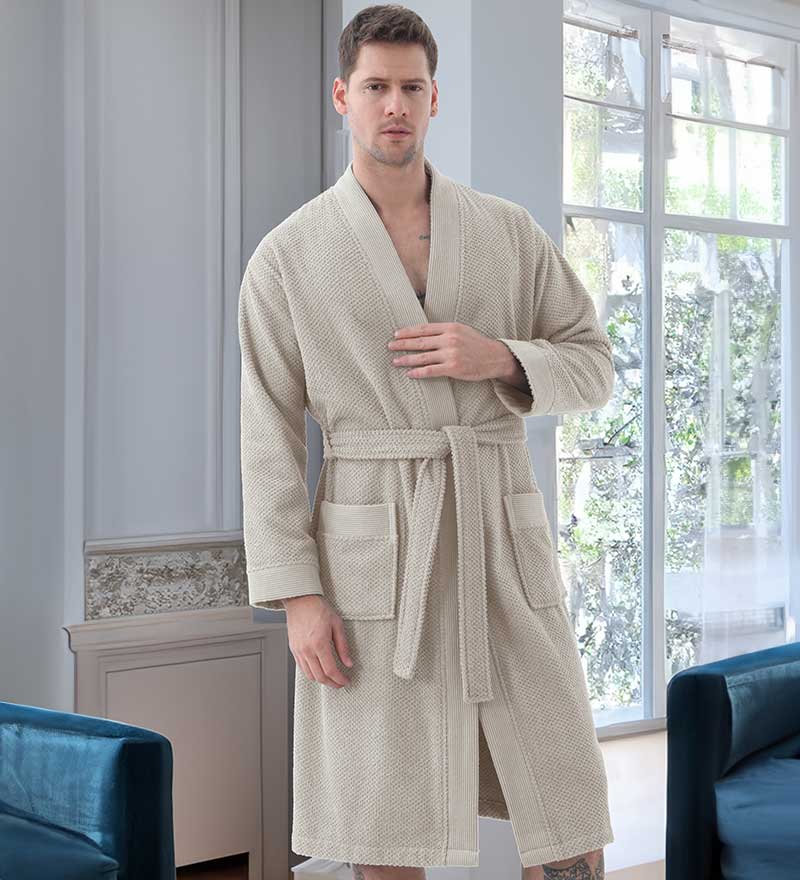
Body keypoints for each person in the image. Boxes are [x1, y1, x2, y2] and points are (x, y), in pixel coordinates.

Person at [238, 5, 614, 879]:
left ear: (435, 97)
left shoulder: (507, 232)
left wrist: (502, 358)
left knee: (565, 797)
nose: (395, 105)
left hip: (497, 534)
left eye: (412, 87)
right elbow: (267, 436)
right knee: (386, 816)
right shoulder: (288, 258)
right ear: (343, 96)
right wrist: (298, 596)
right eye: (376, 87)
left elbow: (593, 365)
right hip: (374, 552)